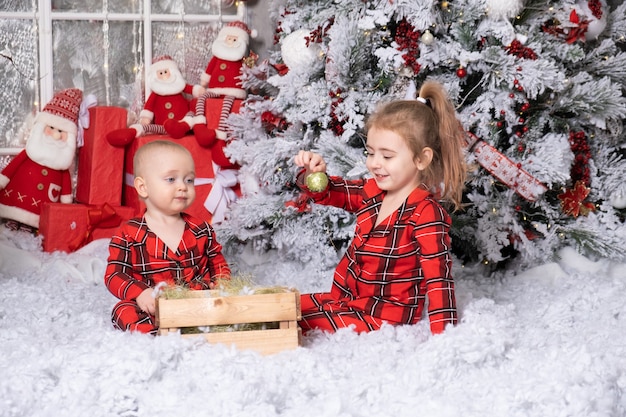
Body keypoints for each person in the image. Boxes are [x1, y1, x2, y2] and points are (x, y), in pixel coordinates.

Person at [293, 80, 466, 335]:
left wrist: (446, 334)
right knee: (287, 305)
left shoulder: (425, 213)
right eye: (371, 153)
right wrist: (311, 175)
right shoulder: (371, 192)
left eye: (387, 156)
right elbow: (330, 192)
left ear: (421, 159)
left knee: (293, 323)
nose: (374, 163)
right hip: (346, 299)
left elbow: (438, 279)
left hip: (382, 316)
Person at [104, 140, 231, 335]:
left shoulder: (201, 229)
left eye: (189, 180)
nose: (183, 187)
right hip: (156, 306)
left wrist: (221, 283)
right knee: (123, 311)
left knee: (232, 307)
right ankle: (158, 335)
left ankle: (202, 328)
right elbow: (114, 274)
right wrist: (140, 293)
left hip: (197, 302)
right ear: (143, 187)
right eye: (171, 179)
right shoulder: (129, 233)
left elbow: (217, 262)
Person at [0, 88, 84, 231]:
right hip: (13, 203)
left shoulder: (61, 167)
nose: (56, 136)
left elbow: (66, 189)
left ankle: (28, 226)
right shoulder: (29, 153)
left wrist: (66, 204)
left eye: (61, 132)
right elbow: (11, 168)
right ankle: (13, 221)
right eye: (51, 127)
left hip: (40, 213)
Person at [106, 56, 203, 146]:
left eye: (166, 71)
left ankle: (185, 126)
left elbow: (191, 89)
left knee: (193, 108)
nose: (164, 76)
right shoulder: (151, 95)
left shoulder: (179, 86)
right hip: (161, 127)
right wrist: (145, 118)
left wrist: (198, 90)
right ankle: (131, 132)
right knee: (144, 127)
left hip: (183, 123)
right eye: (160, 73)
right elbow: (147, 108)